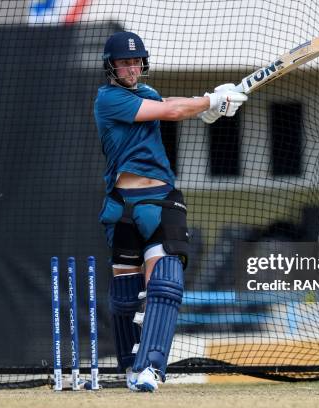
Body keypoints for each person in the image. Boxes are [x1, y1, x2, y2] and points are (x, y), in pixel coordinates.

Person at [93, 31, 248, 392]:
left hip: (161, 200)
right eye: (124, 62)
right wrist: (211, 99)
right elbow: (172, 109)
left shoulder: (146, 93)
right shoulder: (108, 99)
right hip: (120, 206)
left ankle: (152, 368)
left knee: (165, 283)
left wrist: (209, 108)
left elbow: (173, 105)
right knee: (124, 299)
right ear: (111, 66)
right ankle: (131, 368)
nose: (131, 67)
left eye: (136, 61)